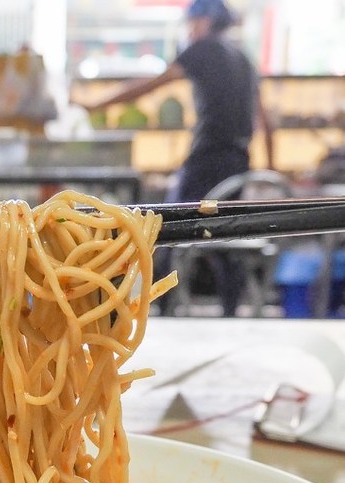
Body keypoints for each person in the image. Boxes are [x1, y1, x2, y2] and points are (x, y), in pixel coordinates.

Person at [80, 0, 274, 315]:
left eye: (192, 24)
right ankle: (230, 313)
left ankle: (157, 307)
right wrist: (272, 170)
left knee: (166, 228)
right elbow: (266, 118)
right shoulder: (243, 58)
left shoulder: (203, 50)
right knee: (225, 235)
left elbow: (153, 83)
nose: (190, 31)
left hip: (207, 158)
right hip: (240, 161)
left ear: (205, 21)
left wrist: (98, 103)